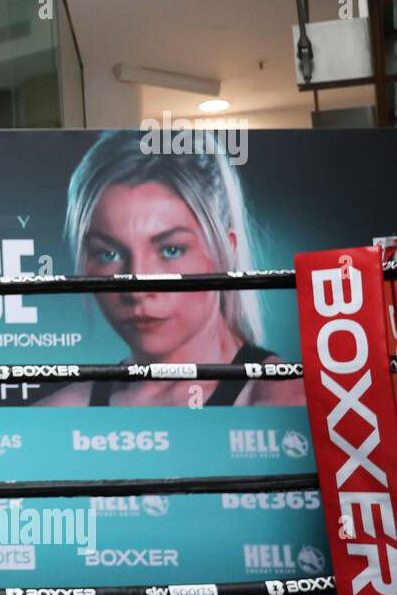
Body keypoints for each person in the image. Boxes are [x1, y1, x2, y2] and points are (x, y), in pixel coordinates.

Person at [36, 131, 304, 407]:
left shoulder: (286, 404)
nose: (137, 286)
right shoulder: (60, 414)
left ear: (226, 250)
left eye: (170, 250)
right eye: (109, 253)